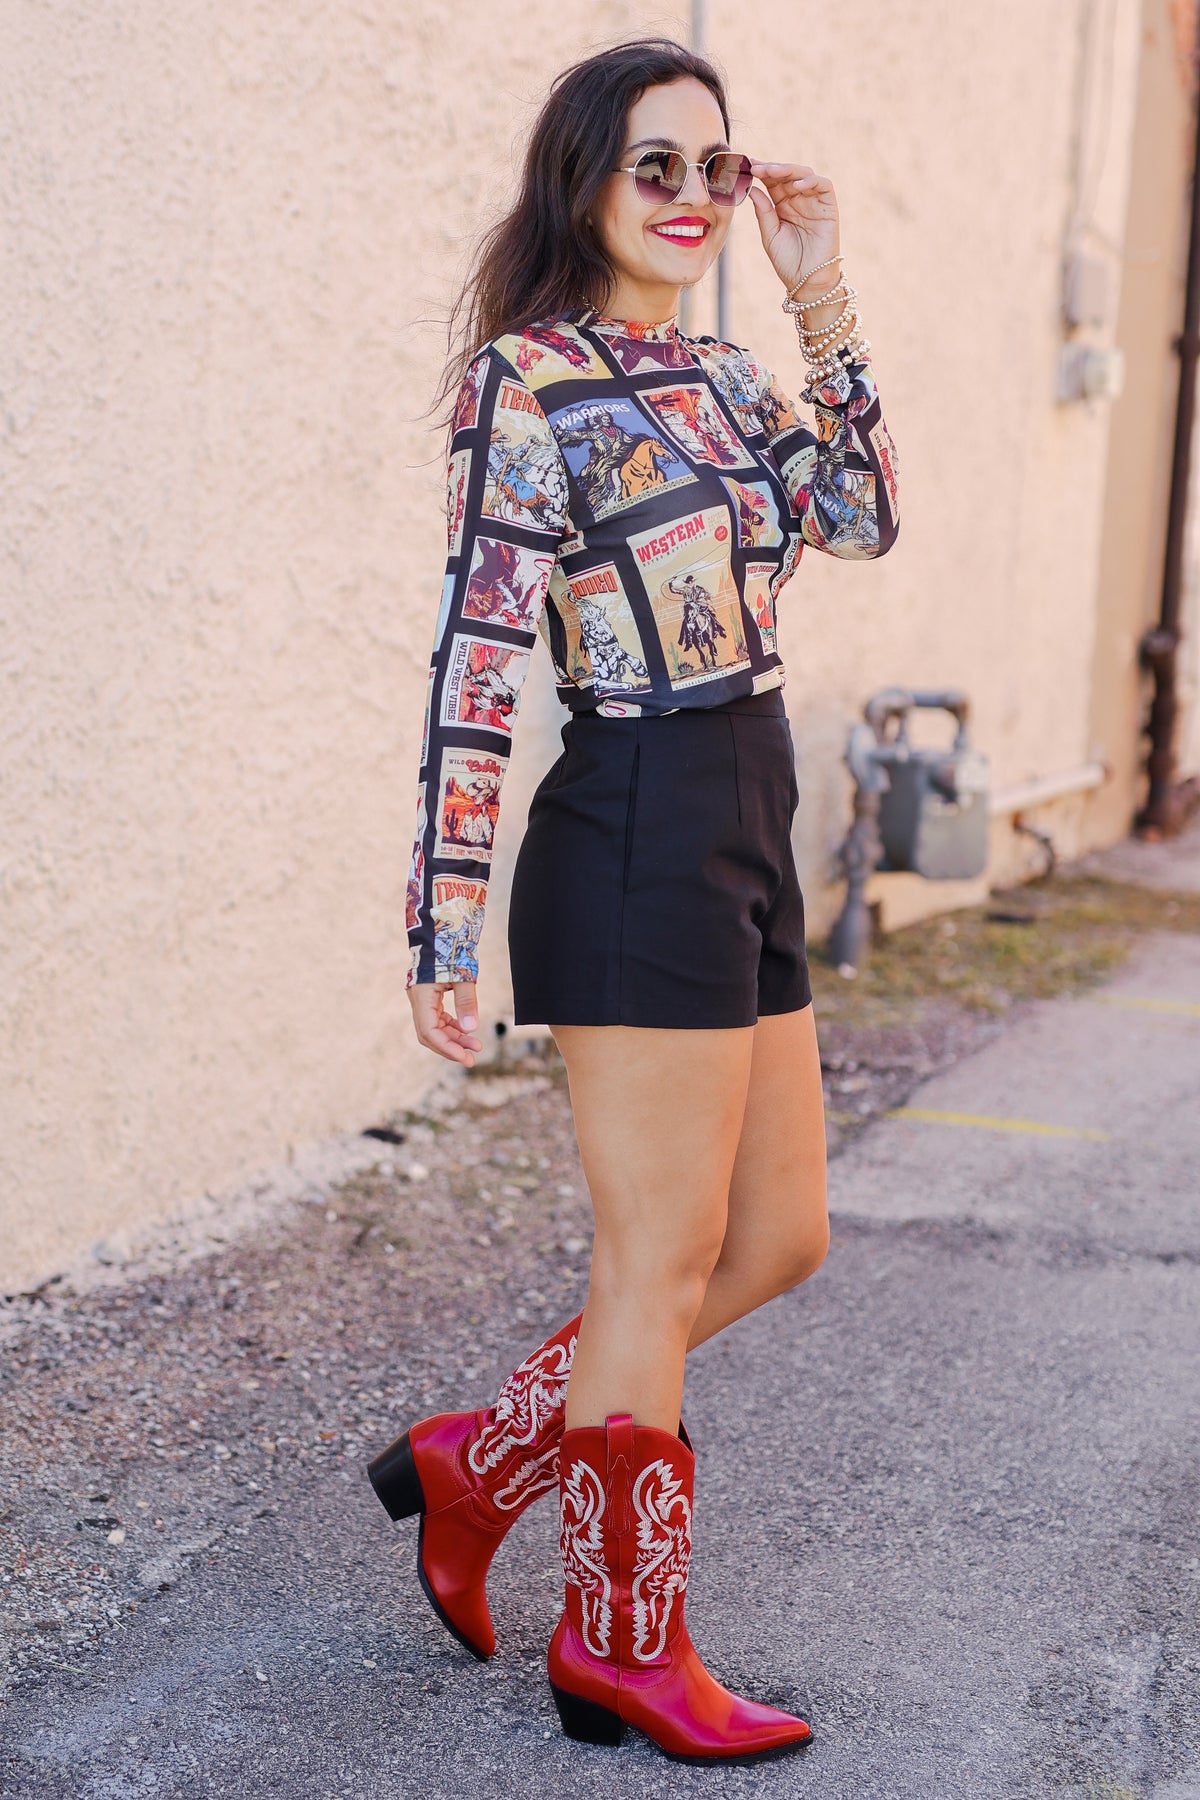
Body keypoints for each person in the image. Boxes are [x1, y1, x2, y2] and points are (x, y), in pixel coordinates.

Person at [367, 36, 900, 1765]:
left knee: (779, 1238)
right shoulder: (525, 385)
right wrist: (443, 913)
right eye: (651, 166)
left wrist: (821, 302)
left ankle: (483, 1461)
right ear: (584, 179)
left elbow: (868, 516)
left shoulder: (738, 380)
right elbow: (479, 652)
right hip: (633, 817)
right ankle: (621, 1646)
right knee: (658, 1259)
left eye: (713, 170)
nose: (687, 199)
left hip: (752, 800)